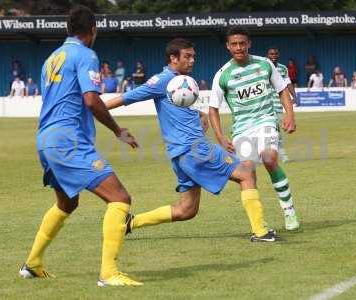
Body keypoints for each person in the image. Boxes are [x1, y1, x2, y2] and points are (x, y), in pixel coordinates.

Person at [105, 38, 278, 242]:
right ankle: (260, 231)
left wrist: (199, 114)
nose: (192, 60)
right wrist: (93, 109)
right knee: (247, 171)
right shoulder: (162, 80)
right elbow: (126, 98)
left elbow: (176, 108)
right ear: (173, 58)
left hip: (180, 155)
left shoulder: (180, 81)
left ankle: (130, 223)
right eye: (187, 56)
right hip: (195, 149)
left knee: (186, 209)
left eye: (193, 56)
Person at [19, 5, 142, 287]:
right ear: (93, 30)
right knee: (120, 198)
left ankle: (33, 264)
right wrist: (117, 130)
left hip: (45, 138)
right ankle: (109, 274)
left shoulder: (52, 57)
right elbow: (91, 99)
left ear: (68, 29)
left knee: (67, 202)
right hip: (68, 139)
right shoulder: (86, 54)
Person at [209, 27, 300, 231]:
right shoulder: (222, 75)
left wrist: (290, 115)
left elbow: (282, 91)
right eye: (234, 44)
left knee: (269, 158)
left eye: (242, 43)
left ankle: (289, 210)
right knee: (247, 170)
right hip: (241, 129)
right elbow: (213, 109)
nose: (239, 47)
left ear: (249, 43)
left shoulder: (264, 63)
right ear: (228, 46)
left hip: (266, 121)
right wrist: (221, 137)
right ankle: (259, 221)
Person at [267, 46, 297, 163]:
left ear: (278, 55)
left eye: (275, 54)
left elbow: (287, 83)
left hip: (278, 104)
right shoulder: (263, 67)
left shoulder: (283, 69)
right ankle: (282, 154)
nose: (273, 56)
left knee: (276, 131)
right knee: (270, 131)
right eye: (271, 54)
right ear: (267, 55)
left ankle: (278, 153)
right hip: (264, 104)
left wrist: (294, 96)